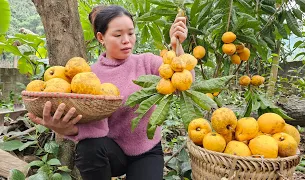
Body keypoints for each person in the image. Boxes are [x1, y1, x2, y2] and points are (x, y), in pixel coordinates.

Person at [28, 5, 188, 180]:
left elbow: (183, 81)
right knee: (88, 148)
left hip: (146, 149)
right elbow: (94, 128)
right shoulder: (90, 77)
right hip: (111, 151)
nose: (126, 40)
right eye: (118, 35)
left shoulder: (147, 62)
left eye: (131, 33)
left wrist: (177, 46)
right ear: (101, 37)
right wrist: (67, 129)